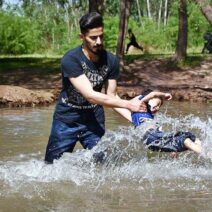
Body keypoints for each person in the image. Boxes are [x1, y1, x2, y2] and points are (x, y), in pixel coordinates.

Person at [44, 12, 147, 164]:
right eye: (93, 38)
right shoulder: (71, 59)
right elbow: (90, 95)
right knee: (50, 168)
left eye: (101, 36)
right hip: (66, 120)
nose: (98, 42)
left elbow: (112, 98)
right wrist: (129, 104)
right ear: (82, 37)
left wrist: (138, 120)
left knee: (103, 167)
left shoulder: (111, 60)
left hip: (94, 121)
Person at [117, 89, 212, 166]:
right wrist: (163, 95)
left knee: (189, 135)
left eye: (159, 106)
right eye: (155, 104)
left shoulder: (149, 118)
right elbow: (152, 94)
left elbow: (162, 137)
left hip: (154, 137)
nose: (156, 108)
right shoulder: (139, 105)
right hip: (150, 137)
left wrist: (173, 149)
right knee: (184, 140)